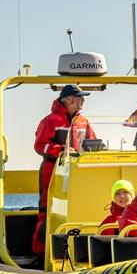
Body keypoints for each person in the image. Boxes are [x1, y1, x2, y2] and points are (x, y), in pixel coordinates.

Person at [31, 84, 96, 255]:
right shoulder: (50, 121)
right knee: (47, 210)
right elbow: (39, 146)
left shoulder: (84, 122)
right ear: (69, 100)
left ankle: (75, 252)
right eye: (80, 98)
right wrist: (60, 151)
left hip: (79, 172)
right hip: (52, 171)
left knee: (79, 208)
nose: (83, 101)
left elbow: (93, 141)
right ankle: (41, 252)